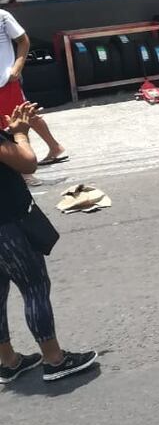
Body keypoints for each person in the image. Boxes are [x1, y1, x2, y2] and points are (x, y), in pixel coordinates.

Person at [0, 101, 97, 385]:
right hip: (8, 223)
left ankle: (8, 360)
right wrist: (20, 134)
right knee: (34, 288)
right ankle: (55, 359)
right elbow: (27, 162)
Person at [0, 0, 68, 166]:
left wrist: (17, 67)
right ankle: (54, 147)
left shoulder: (2, 16)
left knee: (17, 121)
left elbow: (23, 40)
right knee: (26, 115)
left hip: (5, 82)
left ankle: (25, 171)